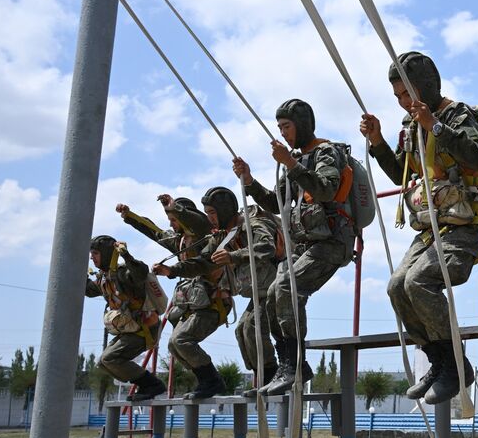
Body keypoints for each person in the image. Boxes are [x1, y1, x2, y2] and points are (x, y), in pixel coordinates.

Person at [360, 52, 478, 403]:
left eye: (408, 93)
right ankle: (440, 360)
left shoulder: (459, 116)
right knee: (396, 287)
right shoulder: (411, 126)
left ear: (427, 87)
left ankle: (455, 366)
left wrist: (436, 125)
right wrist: (378, 142)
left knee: (420, 281)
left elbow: (474, 157)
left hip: (466, 226)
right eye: (399, 97)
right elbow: (403, 175)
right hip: (432, 229)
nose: (404, 103)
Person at [233, 99, 356, 395]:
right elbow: (277, 204)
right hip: (303, 246)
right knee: (276, 293)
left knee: (285, 287)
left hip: (330, 243)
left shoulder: (327, 153)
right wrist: (249, 181)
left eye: (287, 126)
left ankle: (294, 363)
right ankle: (290, 364)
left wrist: (290, 164)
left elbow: (326, 189)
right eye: (280, 128)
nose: (284, 133)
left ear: (302, 125)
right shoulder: (296, 162)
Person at [117, 195, 228, 400]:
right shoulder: (179, 241)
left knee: (182, 339)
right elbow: (154, 232)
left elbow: (198, 227)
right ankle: (206, 380)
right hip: (194, 304)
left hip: (213, 303)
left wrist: (174, 207)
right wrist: (129, 216)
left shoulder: (206, 237)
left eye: (174, 219)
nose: (171, 224)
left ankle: (212, 381)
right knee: (174, 346)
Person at [201, 186, 281, 397]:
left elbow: (267, 247)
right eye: (207, 213)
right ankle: (262, 376)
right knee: (242, 329)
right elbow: (201, 258)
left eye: (212, 213)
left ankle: (272, 376)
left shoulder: (253, 223)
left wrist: (234, 256)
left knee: (252, 326)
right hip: (259, 289)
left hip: (276, 286)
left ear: (225, 210)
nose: (210, 219)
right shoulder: (227, 234)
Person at [86, 235, 166, 401]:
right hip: (130, 329)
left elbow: (141, 272)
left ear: (107, 253)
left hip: (144, 328)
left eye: (95, 253)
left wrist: (126, 255)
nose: (92, 257)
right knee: (103, 361)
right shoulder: (104, 278)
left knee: (110, 359)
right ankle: (147, 384)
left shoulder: (122, 274)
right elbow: (88, 289)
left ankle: (152, 385)